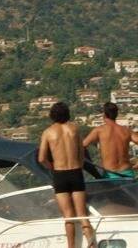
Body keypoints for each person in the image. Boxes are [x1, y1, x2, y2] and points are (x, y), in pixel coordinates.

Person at [41, 100, 98, 248]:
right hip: (76, 172)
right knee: (82, 215)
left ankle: (71, 246)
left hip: (60, 174)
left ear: (52, 115)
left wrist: (51, 167)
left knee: (68, 217)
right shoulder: (74, 129)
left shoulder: (48, 132)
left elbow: (42, 158)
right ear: (67, 114)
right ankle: (92, 245)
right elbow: (81, 152)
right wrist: (78, 165)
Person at [86, 102, 136, 178]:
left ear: (104, 115)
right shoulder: (126, 131)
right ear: (116, 114)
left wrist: (92, 168)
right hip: (127, 173)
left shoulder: (99, 130)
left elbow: (81, 146)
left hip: (110, 174)